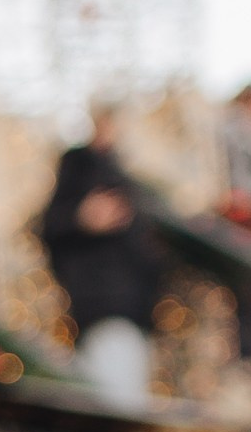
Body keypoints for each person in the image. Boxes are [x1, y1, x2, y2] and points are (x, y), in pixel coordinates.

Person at [38, 118, 165, 407]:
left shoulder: (128, 183)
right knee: (116, 408)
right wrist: (82, 218)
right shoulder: (79, 171)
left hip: (129, 313)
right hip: (105, 308)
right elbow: (51, 227)